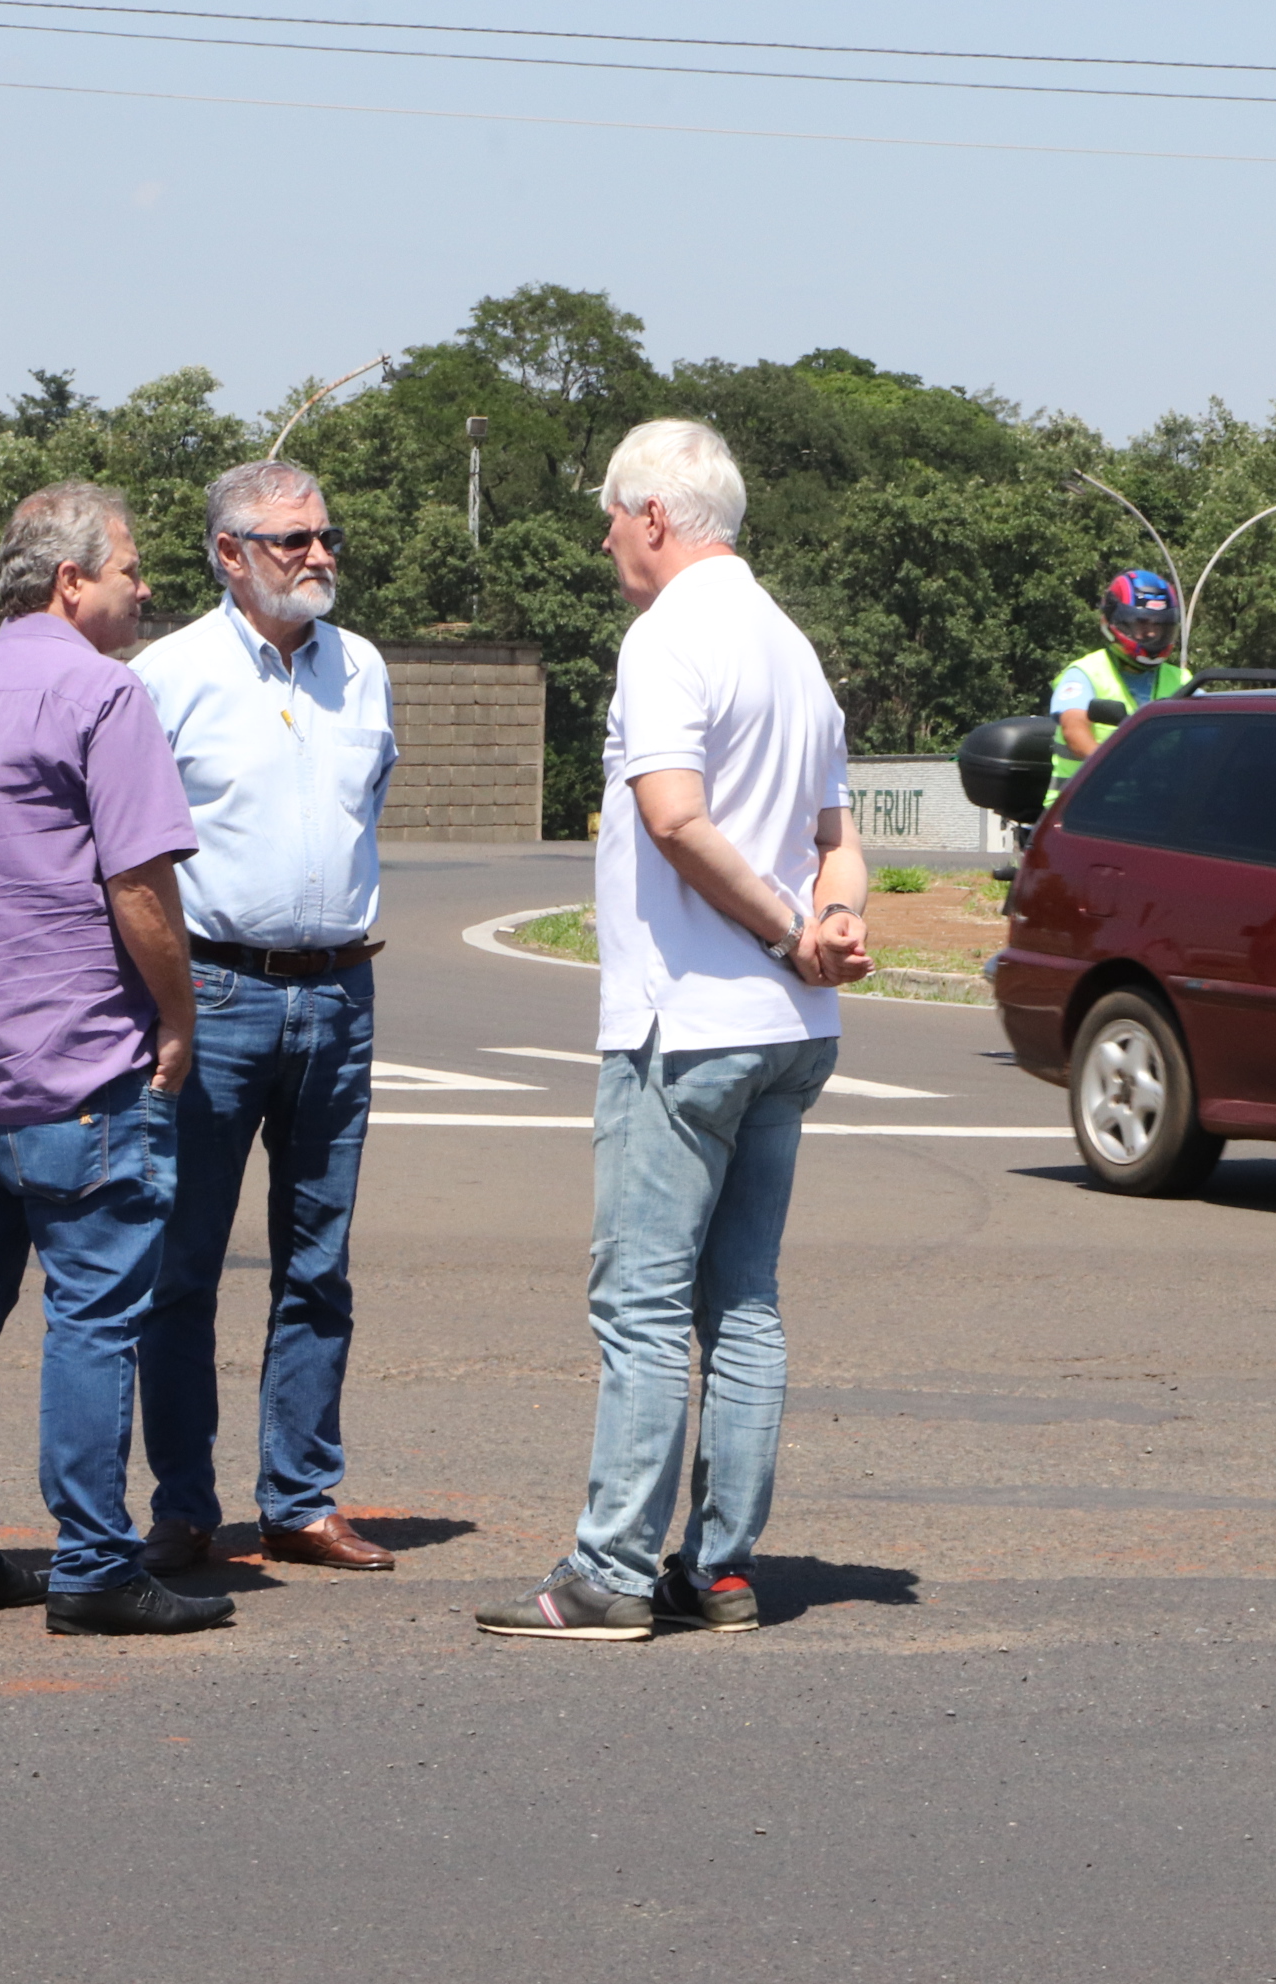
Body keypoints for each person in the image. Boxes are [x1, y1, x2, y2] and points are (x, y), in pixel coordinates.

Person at [477, 418, 872, 1643]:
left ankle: (611, 1572)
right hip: (790, 1031)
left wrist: (781, 929)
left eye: (610, 514)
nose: (604, 538)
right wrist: (834, 922)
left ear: (656, 515)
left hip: (687, 1017)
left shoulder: (668, 638)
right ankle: (723, 1566)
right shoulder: (792, 646)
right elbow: (835, 837)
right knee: (741, 1300)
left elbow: (676, 819)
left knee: (643, 1305)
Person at [0, 482, 232, 1637]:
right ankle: (93, 1562)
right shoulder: (103, 693)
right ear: (69, 580)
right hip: (84, 1069)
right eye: (130, 566)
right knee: (94, 1312)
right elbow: (139, 884)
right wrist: (176, 1017)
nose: (145, 586)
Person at [126, 459, 401, 1577]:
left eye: (326, 536)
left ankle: (300, 1496)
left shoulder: (365, 669)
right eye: (293, 541)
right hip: (215, 991)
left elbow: (366, 807)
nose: (320, 557)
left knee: (318, 1264)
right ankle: (186, 1504)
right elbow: (127, 858)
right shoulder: (165, 676)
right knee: (182, 1265)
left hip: (340, 990)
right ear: (229, 554)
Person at [1047, 570, 1188, 787]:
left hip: (1154, 805)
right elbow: (1074, 731)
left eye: (1158, 625)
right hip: (1080, 806)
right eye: (1142, 623)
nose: (1151, 633)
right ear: (1115, 622)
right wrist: (1119, 768)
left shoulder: (1181, 679)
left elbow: (1212, 734)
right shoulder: (1085, 673)